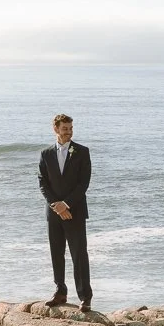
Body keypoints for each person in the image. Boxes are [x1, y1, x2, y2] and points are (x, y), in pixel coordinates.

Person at [38, 113, 93, 312]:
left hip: (75, 211)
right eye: (65, 128)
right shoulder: (46, 154)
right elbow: (42, 183)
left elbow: (83, 184)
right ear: (56, 129)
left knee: (79, 254)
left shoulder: (82, 152)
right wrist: (56, 205)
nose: (69, 132)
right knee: (56, 252)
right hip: (53, 213)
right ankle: (60, 291)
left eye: (70, 128)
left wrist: (66, 205)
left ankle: (85, 297)